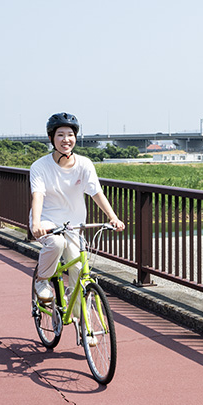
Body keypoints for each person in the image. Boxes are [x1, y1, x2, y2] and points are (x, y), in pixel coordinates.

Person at [30, 113, 124, 304]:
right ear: (51, 138)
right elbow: (37, 195)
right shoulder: (40, 166)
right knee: (56, 244)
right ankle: (42, 281)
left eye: (70, 134)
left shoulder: (84, 164)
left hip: (74, 225)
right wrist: (37, 222)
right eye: (60, 135)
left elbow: (96, 192)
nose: (66, 139)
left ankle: (83, 327)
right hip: (46, 220)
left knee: (79, 271)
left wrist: (113, 217)